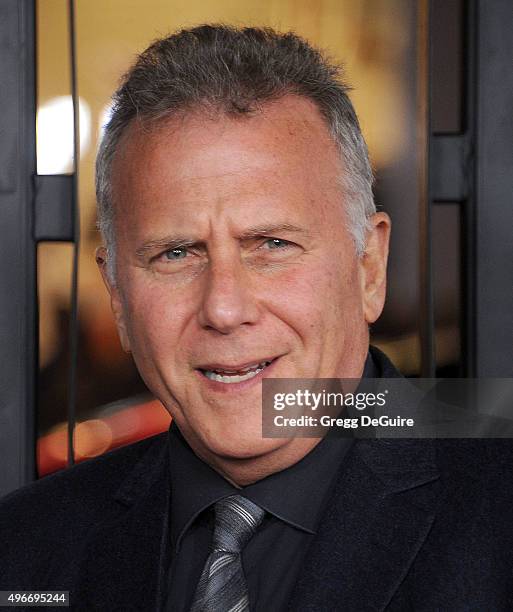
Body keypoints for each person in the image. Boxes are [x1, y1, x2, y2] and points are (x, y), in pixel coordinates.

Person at [1, 24, 512, 612]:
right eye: (176, 253)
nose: (224, 308)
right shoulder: (24, 550)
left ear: (369, 268)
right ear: (117, 294)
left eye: (270, 244)